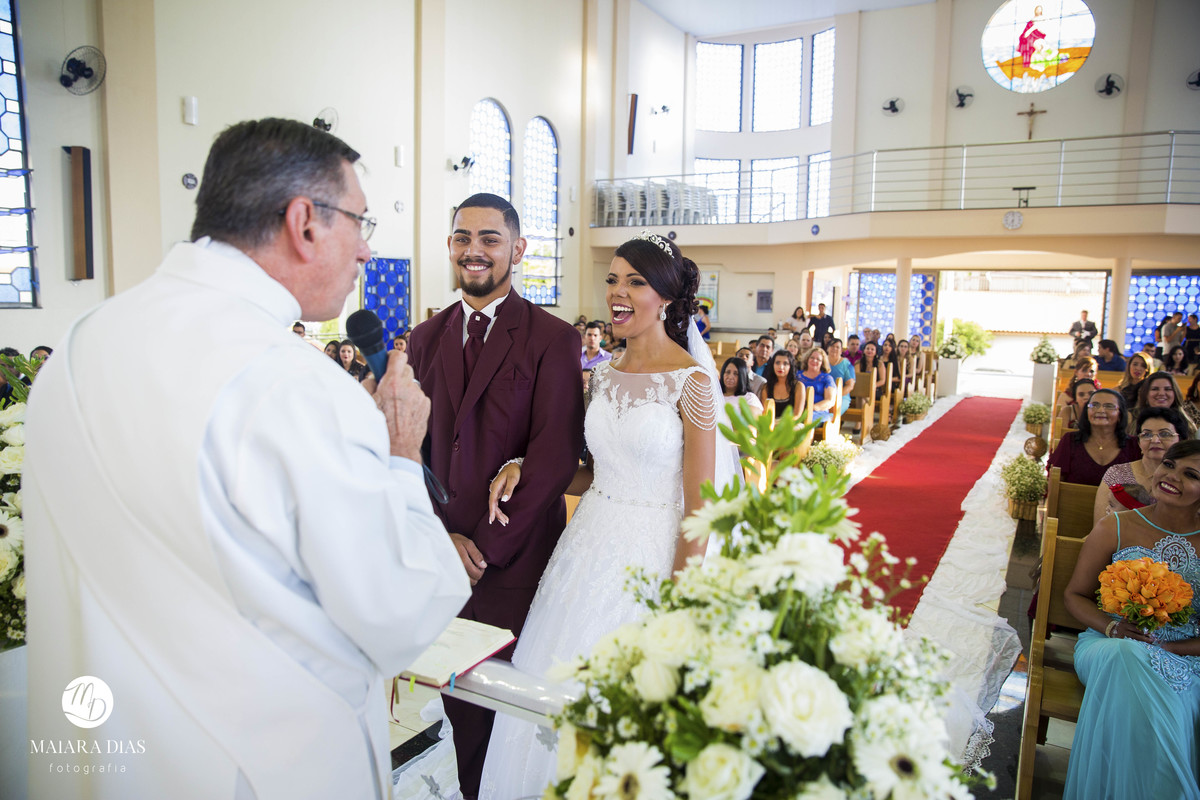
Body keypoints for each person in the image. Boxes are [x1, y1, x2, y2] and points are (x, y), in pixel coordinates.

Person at [22, 118, 470, 799]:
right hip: (257, 765)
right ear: (305, 224)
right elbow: (399, 612)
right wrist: (403, 458)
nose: (368, 252)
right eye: (361, 222)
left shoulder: (83, 343)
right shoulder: (295, 384)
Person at [479, 232, 732, 798]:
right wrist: (525, 467)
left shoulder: (692, 383)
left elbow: (703, 508)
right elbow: (595, 472)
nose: (618, 292)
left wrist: (679, 605)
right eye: (614, 279)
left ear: (665, 297)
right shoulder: (606, 372)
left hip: (653, 554)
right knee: (553, 694)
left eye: (635, 282)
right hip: (588, 546)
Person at [406, 193, 584, 798]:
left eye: (489, 238)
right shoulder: (424, 338)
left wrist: (483, 547)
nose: (474, 250)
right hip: (442, 561)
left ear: (518, 248)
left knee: (508, 722)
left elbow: (556, 452)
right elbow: (411, 451)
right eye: (462, 237)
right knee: (455, 712)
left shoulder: (550, 338)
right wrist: (442, 535)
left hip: (512, 564)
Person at [1062, 439, 1200, 800]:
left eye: (1191, 474)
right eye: (1169, 465)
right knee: (1126, 656)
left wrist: (1172, 647)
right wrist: (1112, 627)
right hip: (1109, 642)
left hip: (1185, 656)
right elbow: (1074, 595)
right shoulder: (1115, 526)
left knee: (1160, 692)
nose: (1171, 476)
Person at [1094, 407, 1188, 522]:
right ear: (1139, 442)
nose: (1155, 440)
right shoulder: (1117, 473)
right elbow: (1100, 525)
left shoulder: (1188, 479)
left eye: (1164, 434)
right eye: (1147, 434)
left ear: (1181, 441)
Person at [1047, 388, 1141, 485]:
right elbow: (1055, 482)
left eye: (1109, 406)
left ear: (1120, 414)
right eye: (1094, 405)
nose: (1100, 410)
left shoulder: (1134, 445)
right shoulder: (1070, 440)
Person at [759, 349, 805, 419]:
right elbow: (765, 414)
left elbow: (797, 415)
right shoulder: (766, 387)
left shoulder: (798, 386)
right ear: (773, 365)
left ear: (790, 366)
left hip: (793, 424)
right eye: (777, 363)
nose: (781, 367)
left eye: (785, 364)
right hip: (772, 426)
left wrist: (777, 424)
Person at [797, 347, 837, 423]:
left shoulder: (827, 378)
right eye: (812, 358)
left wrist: (811, 408)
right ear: (807, 359)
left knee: (806, 420)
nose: (814, 360)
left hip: (819, 412)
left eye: (818, 359)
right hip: (798, 410)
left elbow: (830, 401)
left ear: (822, 362)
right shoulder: (797, 376)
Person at [827, 338, 855, 416]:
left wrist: (836, 396)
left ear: (841, 350)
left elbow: (850, 385)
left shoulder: (846, 364)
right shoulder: (822, 361)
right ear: (828, 348)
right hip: (823, 395)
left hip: (841, 396)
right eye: (832, 346)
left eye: (837, 347)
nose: (834, 349)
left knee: (832, 414)